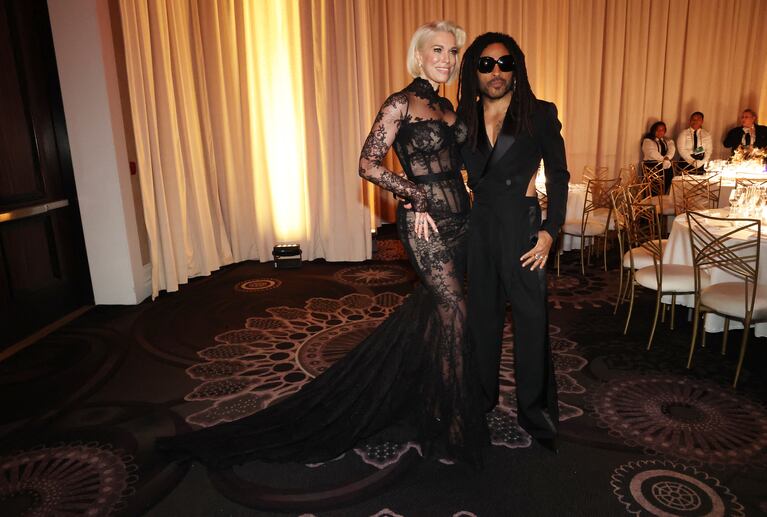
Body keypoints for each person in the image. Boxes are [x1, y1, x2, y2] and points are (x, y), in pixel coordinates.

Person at [157, 21, 488, 469]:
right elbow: (367, 164)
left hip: (460, 222)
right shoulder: (400, 104)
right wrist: (413, 193)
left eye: (452, 51)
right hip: (425, 227)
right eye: (437, 50)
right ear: (419, 55)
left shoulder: (449, 108)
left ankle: (427, 399)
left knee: (439, 314)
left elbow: (464, 161)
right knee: (455, 311)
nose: (446, 59)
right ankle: (453, 424)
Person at [456, 32, 569, 453]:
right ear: (474, 71)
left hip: (524, 230)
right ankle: (482, 400)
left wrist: (550, 231)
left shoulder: (539, 114)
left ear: (516, 68)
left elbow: (559, 176)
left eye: (504, 63)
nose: (496, 71)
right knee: (482, 319)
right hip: (480, 226)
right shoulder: (461, 119)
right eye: (486, 65)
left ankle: (535, 412)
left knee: (531, 322)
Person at [641, 121, 676, 191]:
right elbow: (652, 153)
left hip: (665, 166)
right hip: (652, 167)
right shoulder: (648, 141)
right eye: (658, 130)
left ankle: (663, 198)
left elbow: (672, 149)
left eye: (662, 130)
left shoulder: (667, 140)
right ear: (653, 130)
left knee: (666, 185)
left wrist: (667, 158)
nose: (660, 132)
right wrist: (664, 159)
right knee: (653, 188)